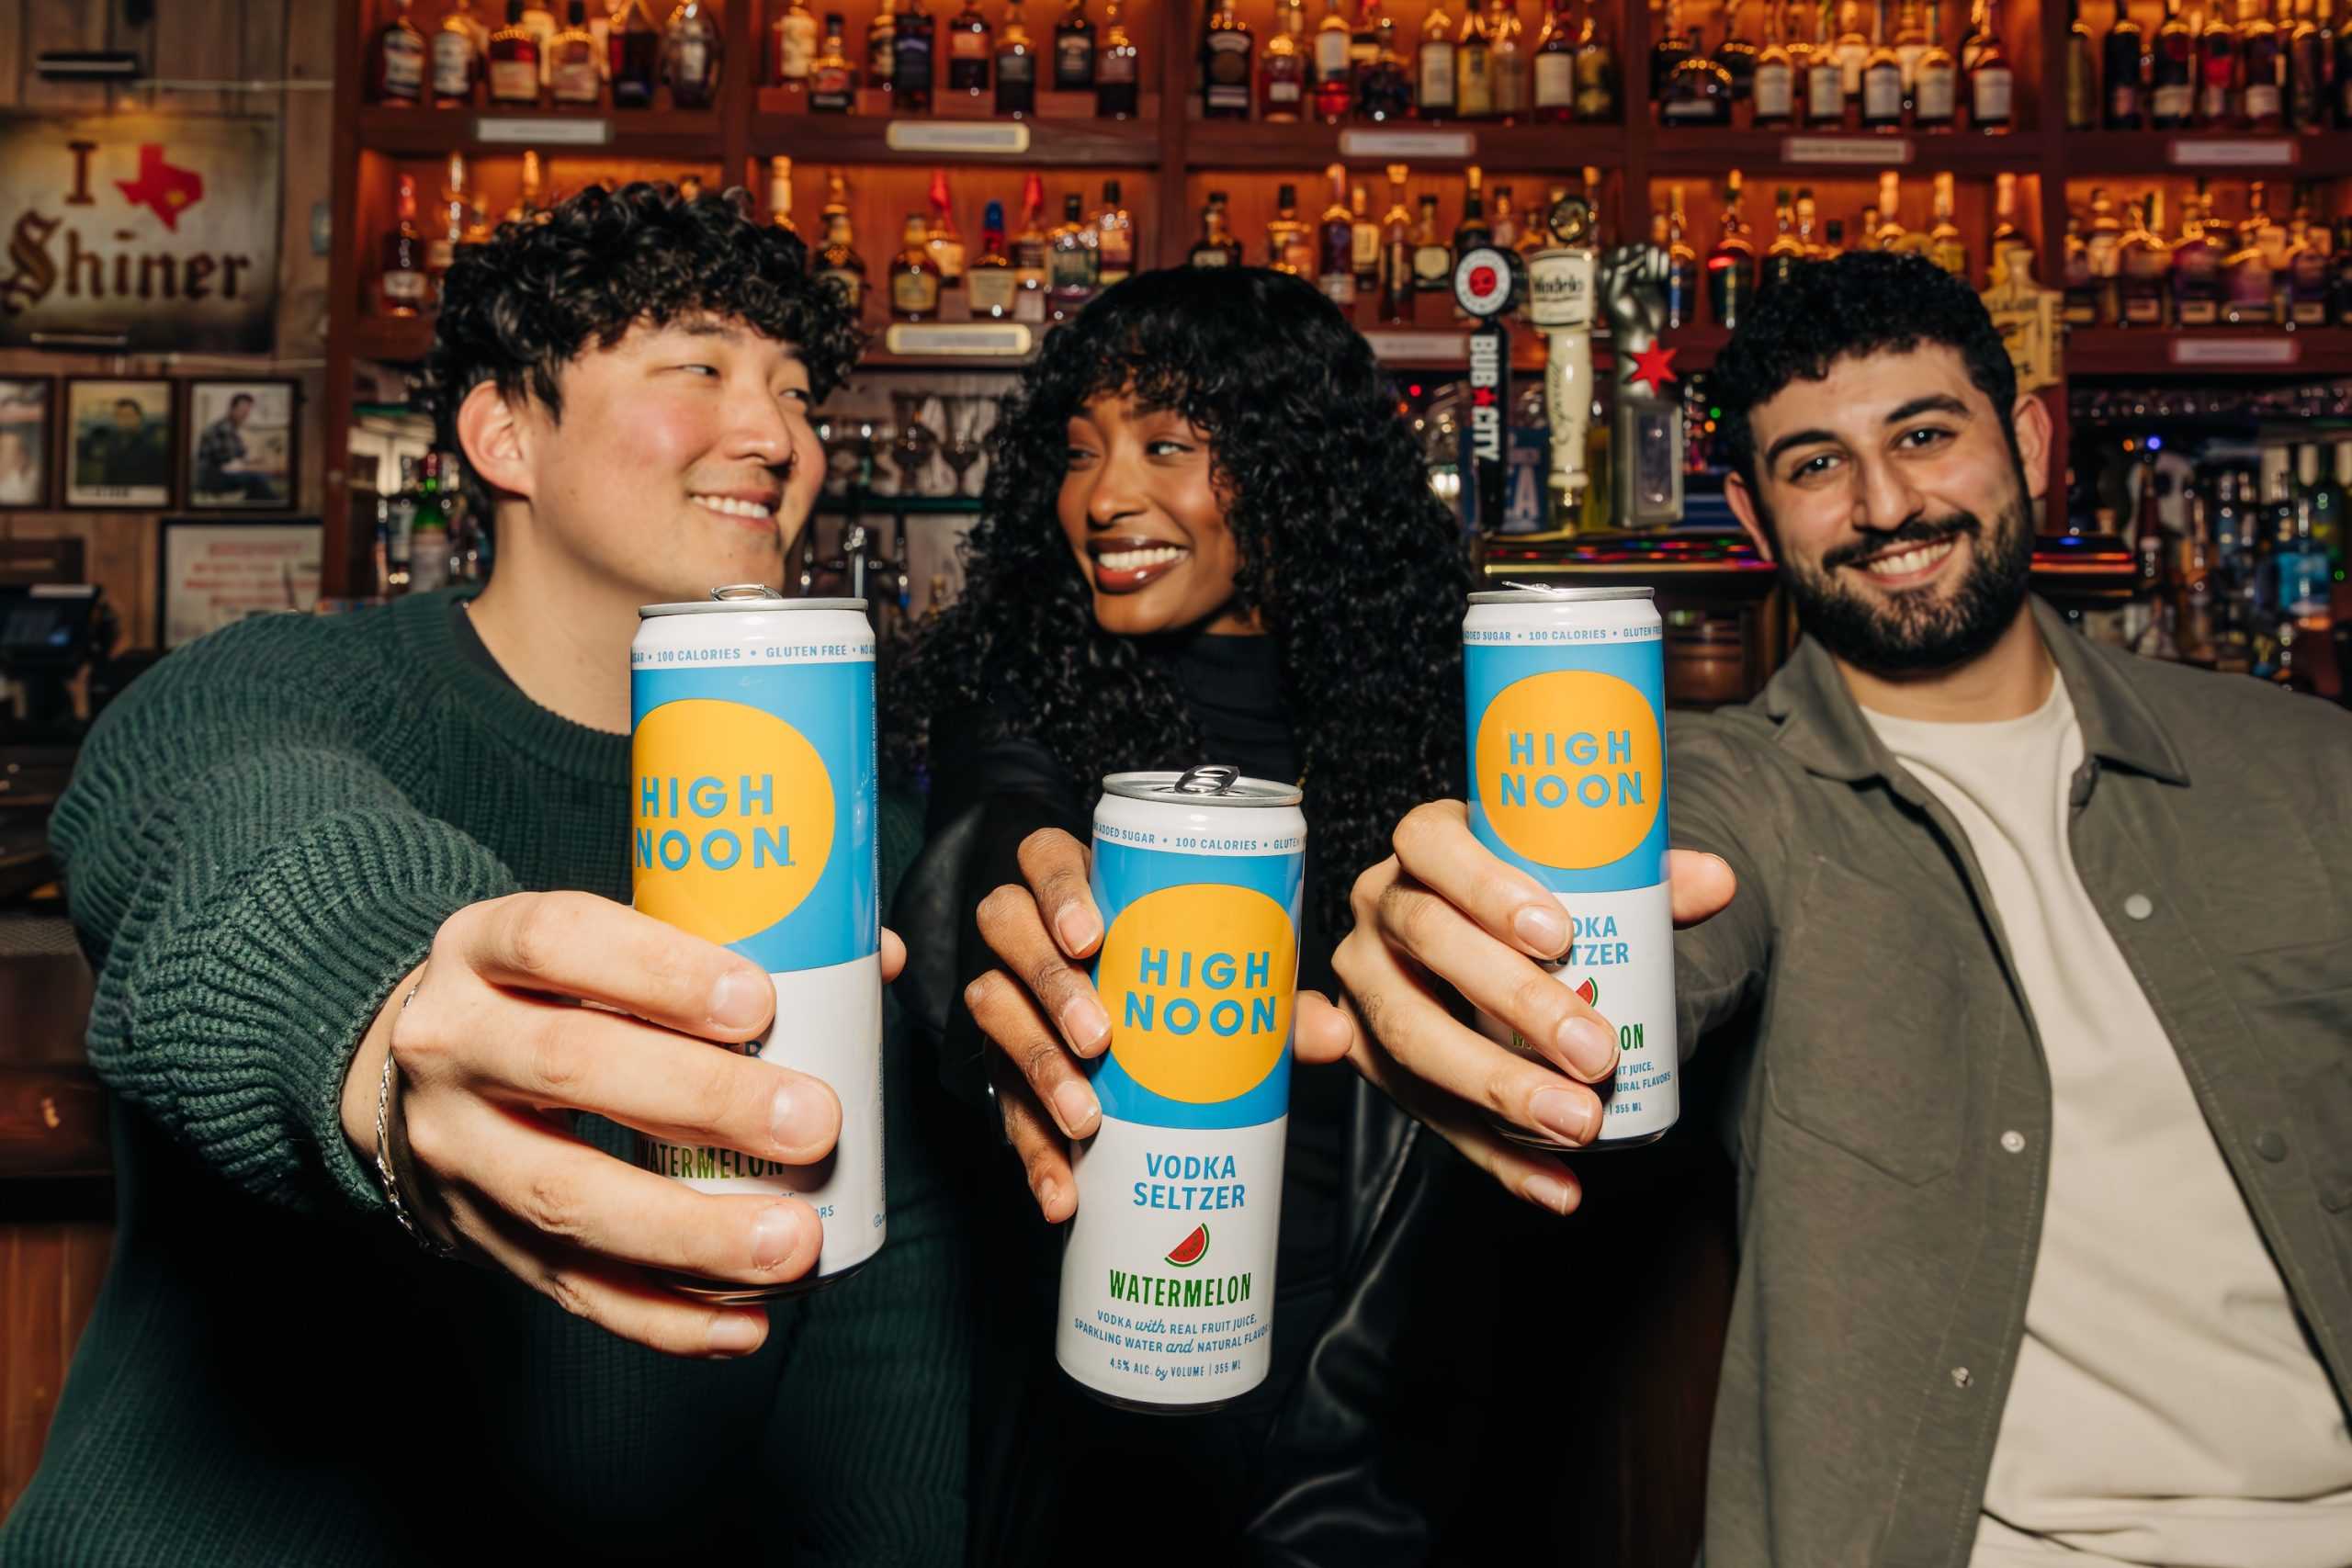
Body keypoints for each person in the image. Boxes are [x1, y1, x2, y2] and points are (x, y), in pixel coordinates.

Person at [1290, 251, 2352, 1564]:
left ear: (2026, 438)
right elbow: (1650, 911)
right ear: (1751, 513)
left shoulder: (2311, 769)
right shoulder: (1735, 787)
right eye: (1815, 464)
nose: (1886, 502)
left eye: (1923, 434)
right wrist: (1480, 961)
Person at [5, 183, 969, 1565]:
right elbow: (229, 819)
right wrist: (394, 1017)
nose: (778, 439)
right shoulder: (280, 686)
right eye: (698, 365)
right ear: (504, 432)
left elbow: (880, 1346)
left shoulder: (843, 823)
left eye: (798, 392)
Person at [893, 266, 1502, 1562]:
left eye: (1166, 444)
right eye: (1078, 450)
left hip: (1370, 1395)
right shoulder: (1027, 684)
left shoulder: (1433, 709)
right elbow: (985, 850)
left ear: (1291, 470)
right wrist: (1014, 920)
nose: (1103, 496)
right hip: (1108, 1387)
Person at [193, 391, 280, 502]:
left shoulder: (232, 430)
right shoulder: (222, 428)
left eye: (248, 412)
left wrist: (253, 462)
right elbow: (227, 461)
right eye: (243, 411)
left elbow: (238, 457)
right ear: (232, 409)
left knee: (261, 479)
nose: (245, 415)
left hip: (223, 473)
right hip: (212, 478)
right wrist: (251, 465)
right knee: (257, 479)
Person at [76, 397, 168, 491]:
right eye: (120, 416)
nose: (124, 420)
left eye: (128, 415)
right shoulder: (112, 444)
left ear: (139, 417)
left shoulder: (152, 449)